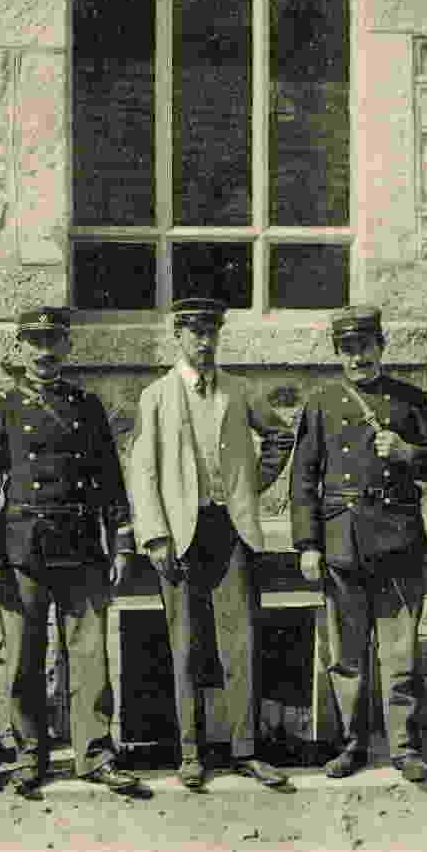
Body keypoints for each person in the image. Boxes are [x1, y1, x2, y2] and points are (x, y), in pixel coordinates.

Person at [0, 307, 147, 797]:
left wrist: (122, 540)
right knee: (24, 657)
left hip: (82, 545)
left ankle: (95, 754)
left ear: (66, 349)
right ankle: (29, 755)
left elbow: (110, 479)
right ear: (20, 348)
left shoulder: (86, 406)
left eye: (53, 342)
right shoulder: (0, 409)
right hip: (23, 546)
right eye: (35, 342)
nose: (44, 352)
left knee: (90, 657)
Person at [129, 298, 297, 791]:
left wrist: (250, 486)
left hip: (231, 530)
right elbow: (142, 472)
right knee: (185, 644)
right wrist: (155, 535)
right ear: (177, 336)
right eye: (194, 333)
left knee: (240, 640)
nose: (204, 342)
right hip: (179, 534)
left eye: (211, 333)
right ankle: (190, 752)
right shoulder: (156, 396)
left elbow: (280, 438)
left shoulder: (239, 391)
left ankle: (246, 751)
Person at [291, 306, 427, 784]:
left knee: (400, 651)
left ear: (381, 346)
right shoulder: (320, 404)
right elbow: (304, 480)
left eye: (365, 346)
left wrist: (409, 454)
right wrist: (307, 543)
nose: (357, 356)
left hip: (397, 539)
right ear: (338, 354)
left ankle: (404, 748)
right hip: (342, 540)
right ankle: (352, 744)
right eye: (348, 349)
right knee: (346, 655)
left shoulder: (408, 400)